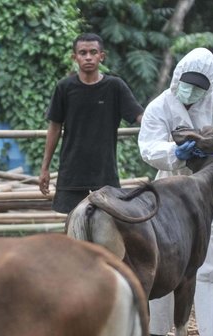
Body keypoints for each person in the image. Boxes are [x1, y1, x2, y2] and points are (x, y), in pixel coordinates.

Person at [138, 47, 213, 336]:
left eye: (199, 85)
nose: (191, 90)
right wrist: (175, 152)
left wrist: (210, 149)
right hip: (172, 190)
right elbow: (148, 146)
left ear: (209, 85)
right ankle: (157, 333)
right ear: (177, 76)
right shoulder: (161, 105)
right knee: (168, 255)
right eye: (187, 82)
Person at [39, 33, 144, 213]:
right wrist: (45, 168)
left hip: (105, 173)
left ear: (101, 56)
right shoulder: (64, 87)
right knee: (72, 227)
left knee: (109, 225)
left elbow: (140, 117)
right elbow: (54, 127)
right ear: (75, 57)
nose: (88, 57)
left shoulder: (115, 87)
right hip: (72, 173)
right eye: (83, 52)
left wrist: (165, 129)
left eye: (93, 52)